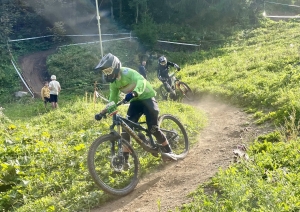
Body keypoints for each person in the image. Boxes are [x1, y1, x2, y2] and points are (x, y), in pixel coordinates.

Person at [94, 53, 177, 168]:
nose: (107, 74)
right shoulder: (114, 83)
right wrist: (103, 111)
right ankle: (126, 160)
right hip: (135, 102)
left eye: (108, 71)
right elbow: (112, 99)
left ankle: (169, 151)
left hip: (147, 98)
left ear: (115, 66)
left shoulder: (126, 72)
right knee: (126, 129)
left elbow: (141, 80)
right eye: (105, 72)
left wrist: (134, 92)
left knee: (153, 129)